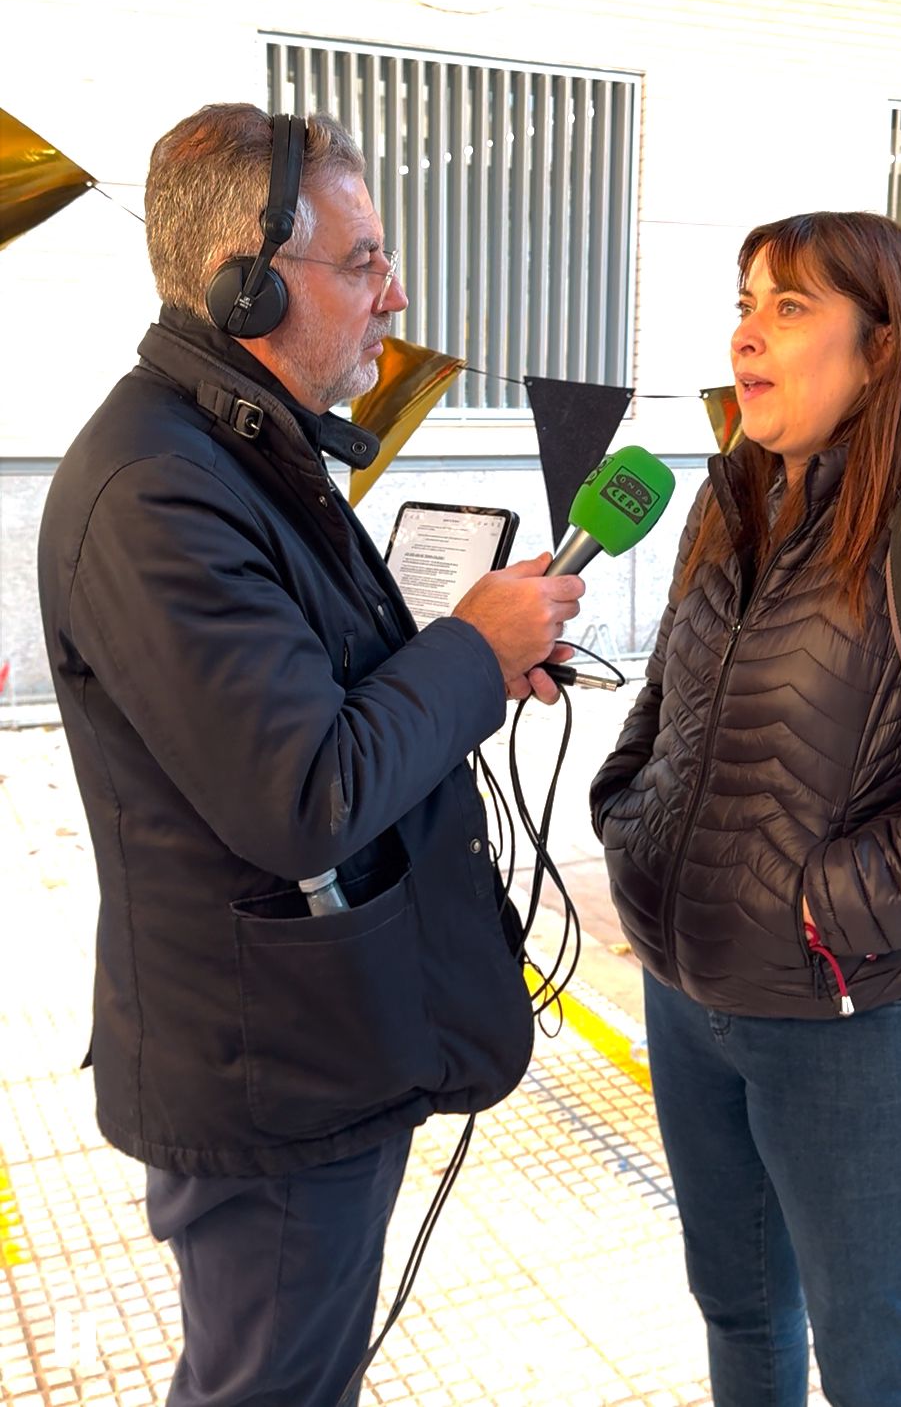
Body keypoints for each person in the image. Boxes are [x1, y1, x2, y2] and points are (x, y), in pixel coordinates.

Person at [38, 103, 584, 1407]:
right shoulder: (162, 486)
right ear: (246, 280)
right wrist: (465, 648)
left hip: (312, 1046)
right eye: (361, 261)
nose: (394, 295)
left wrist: (480, 662)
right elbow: (302, 793)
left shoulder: (240, 449)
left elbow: (320, 710)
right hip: (270, 1077)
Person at [590, 210, 901, 1407]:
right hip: (687, 993)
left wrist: (823, 902)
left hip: (859, 1023)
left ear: (882, 348)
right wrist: (628, 814)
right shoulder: (730, 501)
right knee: (737, 1310)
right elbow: (665, 695)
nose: (746, 332)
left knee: (869, 1349)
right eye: (745, 299)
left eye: (790, 305)